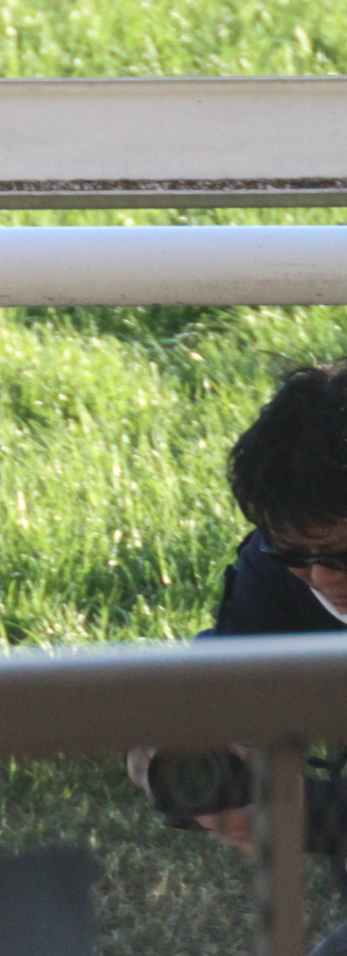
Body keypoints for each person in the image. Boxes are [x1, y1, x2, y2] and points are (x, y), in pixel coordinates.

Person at [129, 360, 347, 956]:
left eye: (341, 554)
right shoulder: (275, 570)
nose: (321, 577)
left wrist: (306, 811)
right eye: (296, 554)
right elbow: (221, 681)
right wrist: (178, 739)